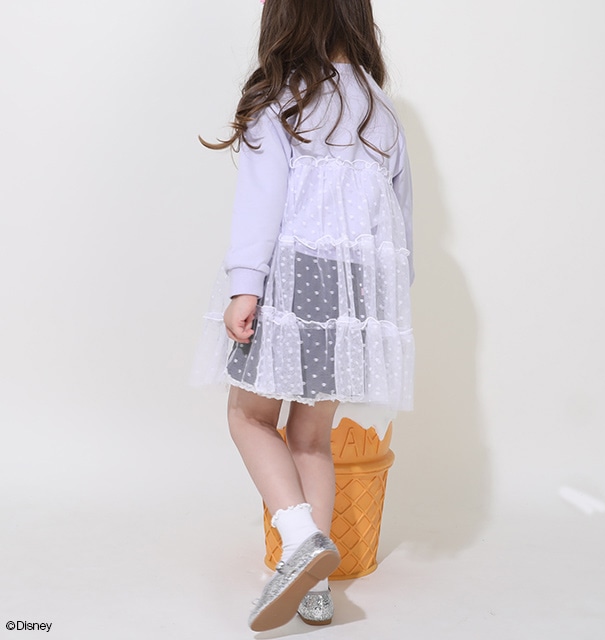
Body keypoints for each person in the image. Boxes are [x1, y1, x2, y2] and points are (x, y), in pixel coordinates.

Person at [190, 0, 414, 631]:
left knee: (249, 417)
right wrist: (382, 303)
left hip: (295, 280)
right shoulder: (380, 110)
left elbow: (260, 205)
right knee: (312, 437)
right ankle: (316, 593)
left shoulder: (281, 101)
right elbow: (402, 221)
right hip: (357, 293)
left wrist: (245, 286)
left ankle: (299, 539)